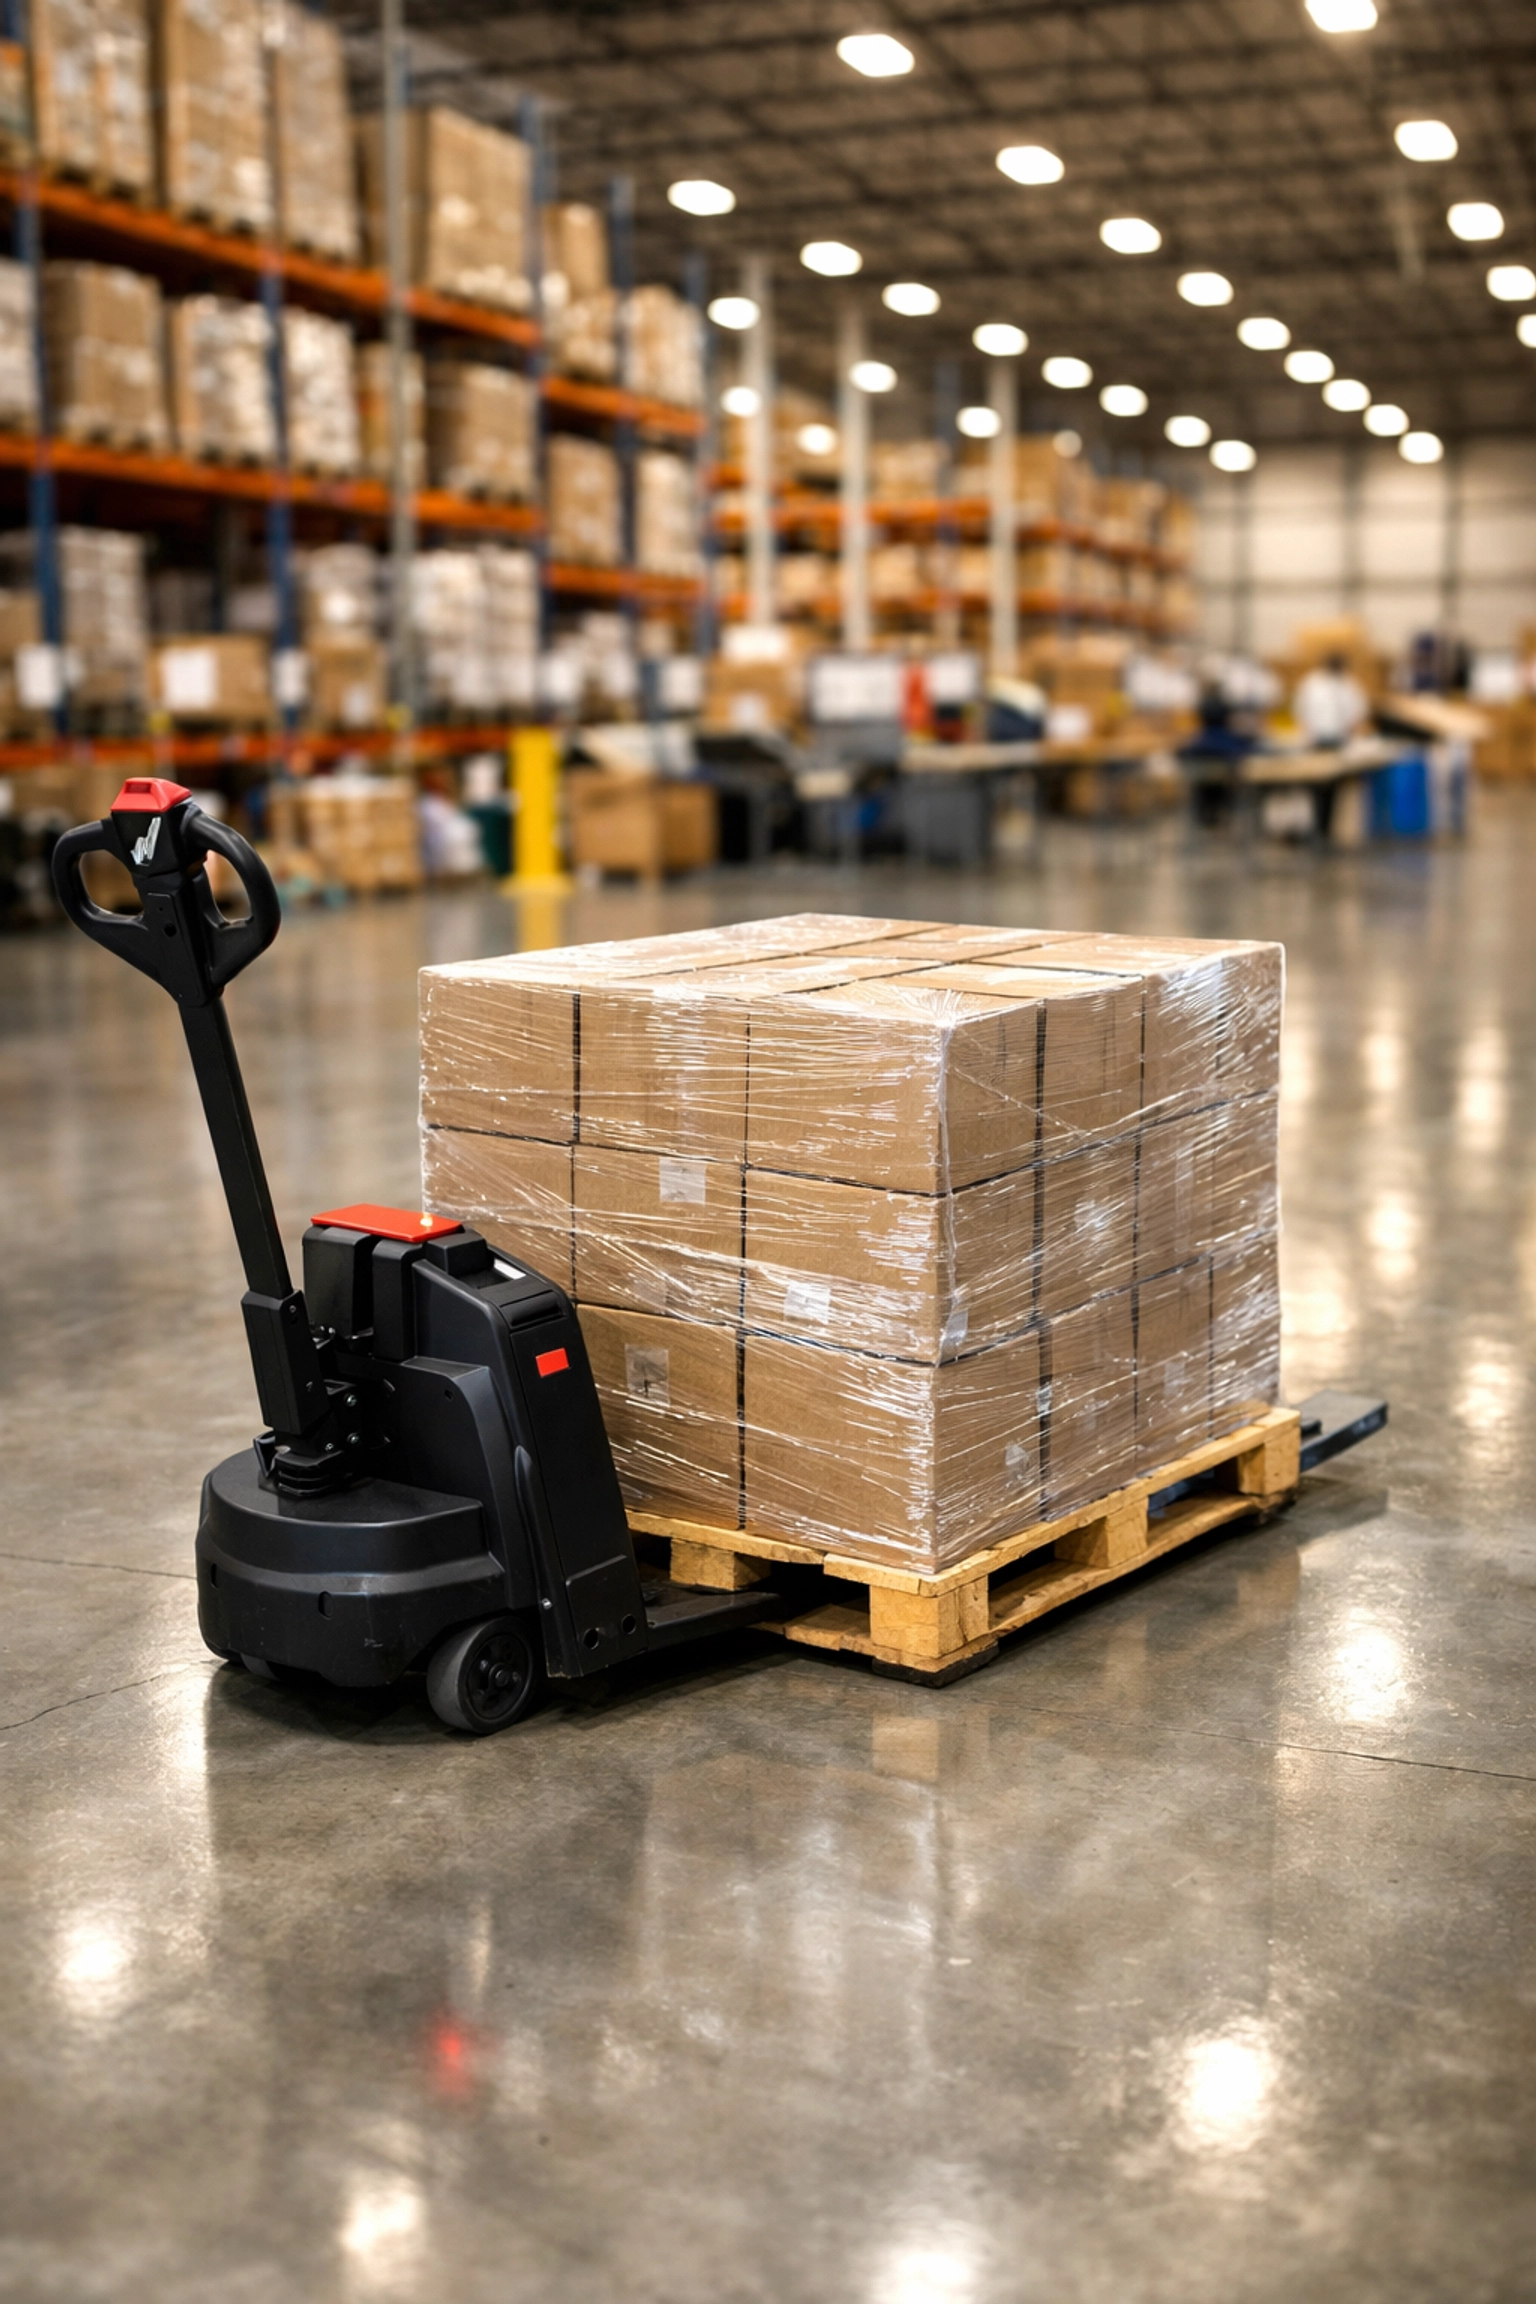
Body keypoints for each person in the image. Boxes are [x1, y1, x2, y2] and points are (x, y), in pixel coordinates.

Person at [1294, 651, 1369, 748]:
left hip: (1342, 737)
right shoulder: (1311, 682)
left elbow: (1361, 709)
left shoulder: (1350, 683)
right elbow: (1299, 708)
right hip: (1315, 737)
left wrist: (1354, 728)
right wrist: (1306, 730)